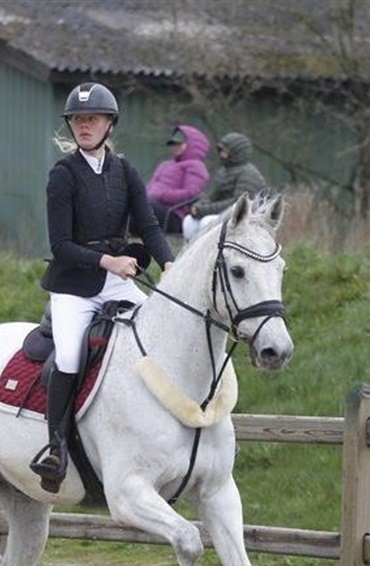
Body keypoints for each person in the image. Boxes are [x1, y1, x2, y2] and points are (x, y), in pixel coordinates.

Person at [30, 82, 174, 491]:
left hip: (116, 281)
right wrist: (109, 261)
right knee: (70, 356)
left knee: (158, 332)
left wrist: (170, 264)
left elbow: (148, 226)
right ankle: (55, 446)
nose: (84, 125)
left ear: (110, 124)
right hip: (74, 286)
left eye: (92, 119)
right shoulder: (62, 175)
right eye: (77, 119)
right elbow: (60, 245)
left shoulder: (125, 172)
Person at [181, 131, 266, 243]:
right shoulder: (223, 172)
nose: (221, 154)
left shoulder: (249, 173)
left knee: (207, 222)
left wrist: (204, 210)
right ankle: (190, 251)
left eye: (225, 151)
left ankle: (211, 251)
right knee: (188, 222)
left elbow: (238, 203)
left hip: (240, 218)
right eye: (221, 150)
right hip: (219, 213)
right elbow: (211, 195)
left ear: (236, 152)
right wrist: (198, 206)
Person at [145, 124, 211, 234]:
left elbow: (191, 194)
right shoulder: (165, 164)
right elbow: (150, 186)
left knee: (143, 208)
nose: (174, 147)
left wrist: (161, 195)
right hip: (154, 207)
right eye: (173, 144)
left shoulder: (196, 166)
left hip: (174, 215)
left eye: (179, 143)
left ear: (192, 145)